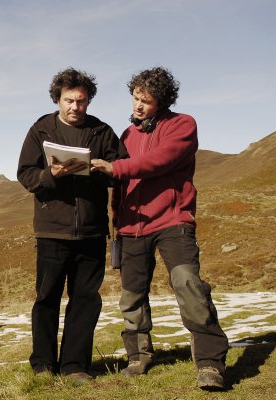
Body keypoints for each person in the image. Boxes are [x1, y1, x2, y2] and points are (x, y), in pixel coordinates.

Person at [91, 67, 229, 391]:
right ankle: (138, 356)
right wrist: (115, 214)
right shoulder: (126, 136)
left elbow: (159, 160)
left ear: (162, 102)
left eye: (146, 101)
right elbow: (120, 183)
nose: (138, 105)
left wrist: (116, 167)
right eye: (136, 97)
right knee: (131, 294)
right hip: (131, 226)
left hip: (172, 221)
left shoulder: (182, 125)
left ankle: (209, 364)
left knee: (188, 284)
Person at [17, 67, 123, 383]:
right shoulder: (41, 130)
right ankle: (43, 365)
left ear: (88, 101)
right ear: (58, 99)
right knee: (47, 298)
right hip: (52, 229)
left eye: (81, 101)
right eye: (69, 100)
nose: (75, 107)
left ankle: (75, 366)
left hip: (91, 231)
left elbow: (121, 170)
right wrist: (52, 175)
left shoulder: (102, 132)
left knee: (86, 300)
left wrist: (103, 169)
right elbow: (25, 174)